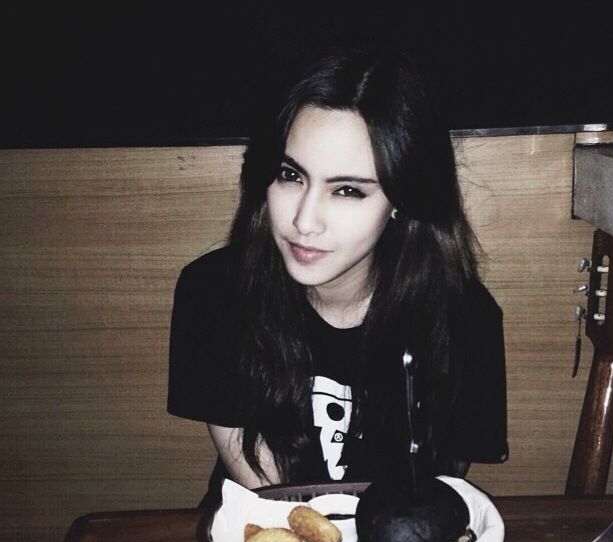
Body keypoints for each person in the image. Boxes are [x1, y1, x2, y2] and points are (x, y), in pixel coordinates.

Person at [167, 45, 508, 509]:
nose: (304, 220)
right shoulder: (216, 292)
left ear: (401, 200)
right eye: (290, 175)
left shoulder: (462, 319)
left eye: (347, 190)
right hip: (260, 539)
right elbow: (275, 502)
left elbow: (424, 501)